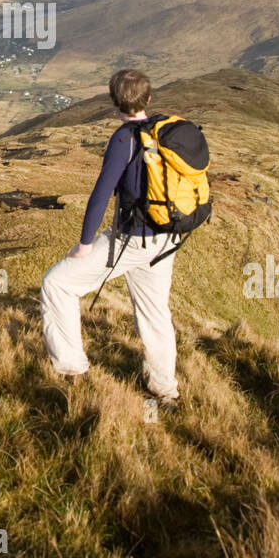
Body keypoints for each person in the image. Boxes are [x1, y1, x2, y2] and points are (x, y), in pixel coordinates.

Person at [39, 68, 180, 407]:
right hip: (168, 237)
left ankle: (72, 369)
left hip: (133, 240)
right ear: (148, 99)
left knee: (57, 284)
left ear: (115, 101)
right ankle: (164, 392)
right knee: (155, 313)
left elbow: (101, 195)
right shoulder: (167, 132)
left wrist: (85, 244)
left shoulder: (123, 139)